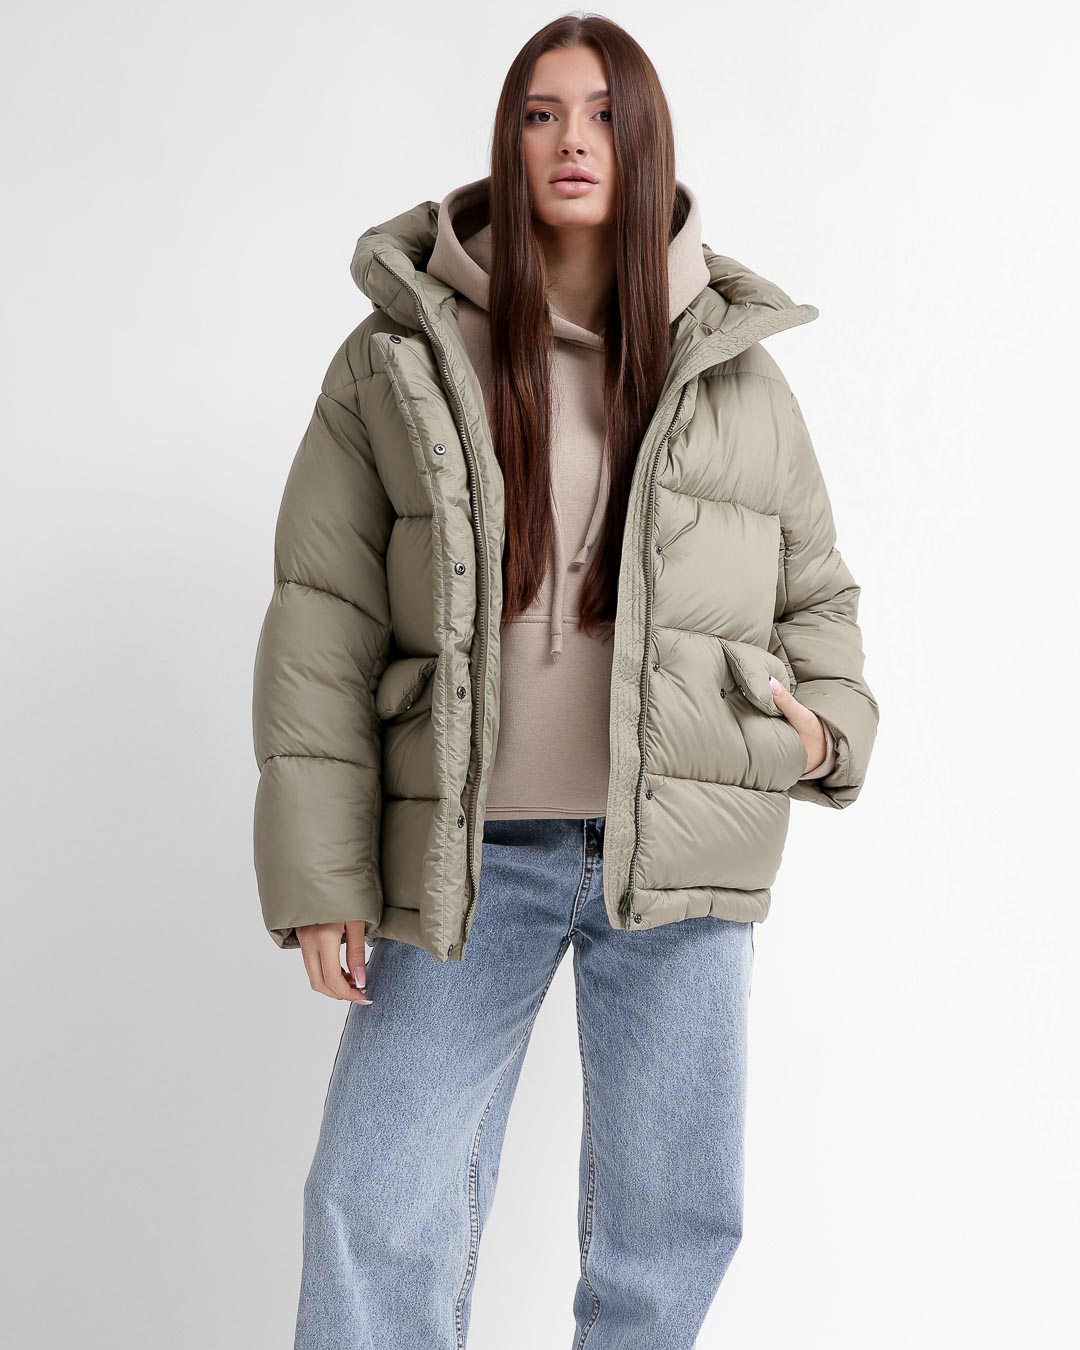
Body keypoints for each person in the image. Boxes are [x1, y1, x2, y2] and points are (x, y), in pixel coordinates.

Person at [251, 14, 879, 1348]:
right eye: (542, 113)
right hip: (466, 857)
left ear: (646, 144)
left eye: (602, 115)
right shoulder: (400, 358)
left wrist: (826, 732)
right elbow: (321, 618)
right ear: (510, 138)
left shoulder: (737, 374)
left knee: (668, 1225)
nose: (572, 141)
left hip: (683, 849)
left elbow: (817, 594)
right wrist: (320, 876)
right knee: (373, 1198)